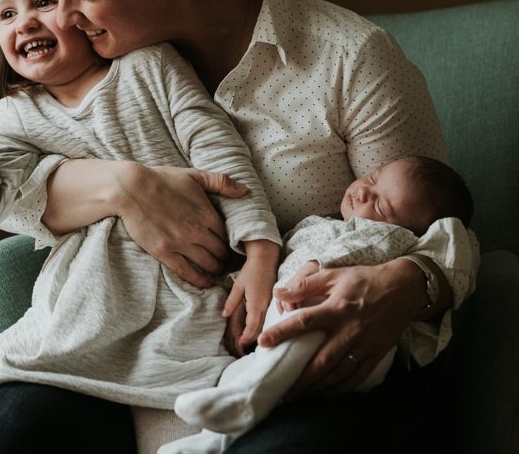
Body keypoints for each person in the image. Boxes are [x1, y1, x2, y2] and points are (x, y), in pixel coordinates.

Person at [0, 0, 478, 453]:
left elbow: (425, 221)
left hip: (295, 358)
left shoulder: (350, 61)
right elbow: (4, 194)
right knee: (3, 433)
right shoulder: (98, 51)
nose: (65, 17)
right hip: (136, 345)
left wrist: (412, 281)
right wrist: (125, 187)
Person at [0, 0, 282, 454]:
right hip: (78, 310)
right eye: (6, 14)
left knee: (185, 430)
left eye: (43, 3)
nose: (23, 21)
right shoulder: (17, 115)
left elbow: (220, 153)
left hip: (181, 299)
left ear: (84, 9)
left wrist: (259, 252)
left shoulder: (150, 67)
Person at [161, 156, 477, 453]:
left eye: (380, 204)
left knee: (305, 327)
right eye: (371, 178)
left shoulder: (387, 235)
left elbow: (371, 247)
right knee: (236, 373)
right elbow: (280, 258)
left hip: (351, 339)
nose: (365, 191)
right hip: (281, 334)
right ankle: (211, 441)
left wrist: (317, 265)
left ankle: (248, 398)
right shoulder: (316, 225)